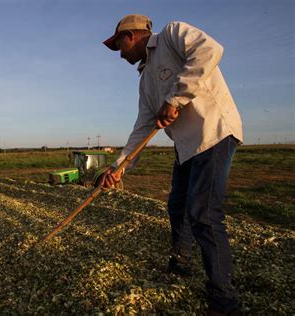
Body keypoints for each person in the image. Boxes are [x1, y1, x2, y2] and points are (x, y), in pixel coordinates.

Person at [100, 14, 243, 315]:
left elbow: (210, 50)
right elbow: (143, 126)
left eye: (119, 47)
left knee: (203, 212)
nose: (120, 54)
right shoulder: (145, 80)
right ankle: (181, 263)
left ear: (131, 36)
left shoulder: (171, 35)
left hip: (213, 132)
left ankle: (224, 298)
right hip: (186, 146)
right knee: (177, 206)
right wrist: (119, 167)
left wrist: (176, 98)